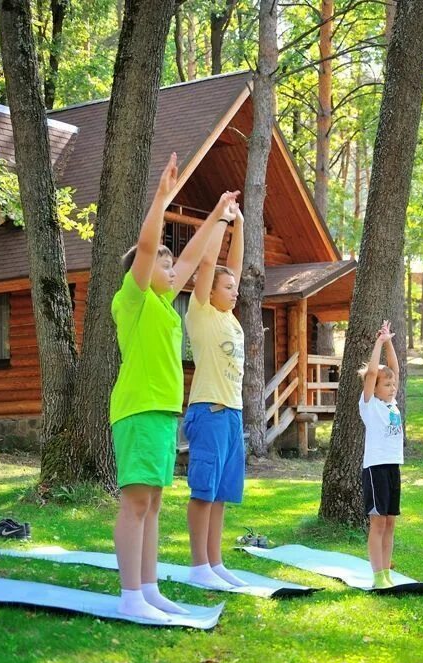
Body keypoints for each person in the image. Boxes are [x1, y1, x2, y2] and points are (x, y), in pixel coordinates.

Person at [109, 151, 240, 621]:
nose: (170, 270)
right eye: (161, 267)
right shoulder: (135, 298)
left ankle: (147, 588)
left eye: (169, 267)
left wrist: (218, 217)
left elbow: (189, 257)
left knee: (155, 502)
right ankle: (130, 597)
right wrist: (162, 199)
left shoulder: (165, 306)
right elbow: (148, 252)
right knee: (137, 500)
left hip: (162, 410)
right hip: (139, 408)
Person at [183, 200, 247, 590]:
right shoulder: (202, 311)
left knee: (221, 494)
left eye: (235, 288)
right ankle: (197, 566)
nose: (234, 290)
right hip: (208, 410)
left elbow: (232, 268)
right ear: (211, 291)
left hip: (233, 414)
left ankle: (215, 562)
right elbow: (210, 267)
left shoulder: (228, 315)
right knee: (204, 491)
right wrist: (221, 219)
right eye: (228, 287)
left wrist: (239, 225)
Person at [358, 320, 403, 589]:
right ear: (374, 388)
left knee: (390, 523)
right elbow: (374, 372)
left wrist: (389, 342)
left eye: (393, 385)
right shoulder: (369, 405)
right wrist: (377, 343)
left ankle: (386, 572)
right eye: (387, 384)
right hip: (375, 469)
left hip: (392, 468)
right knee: (377, 523)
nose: (392, 386)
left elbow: (394, 370)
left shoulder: (392, 405)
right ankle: (377, 576)